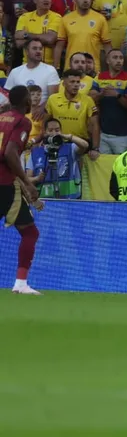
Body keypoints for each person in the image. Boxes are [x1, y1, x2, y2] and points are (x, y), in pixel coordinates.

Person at [0, 86, 43, 295]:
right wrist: (27, 182)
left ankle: (21, 283)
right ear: (26, 101)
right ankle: (20, 283)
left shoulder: (2, 117)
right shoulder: (22, 121)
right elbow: (9, 153)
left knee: (30, 231)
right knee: (30, 232)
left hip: (6, 181)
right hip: (4, 184)